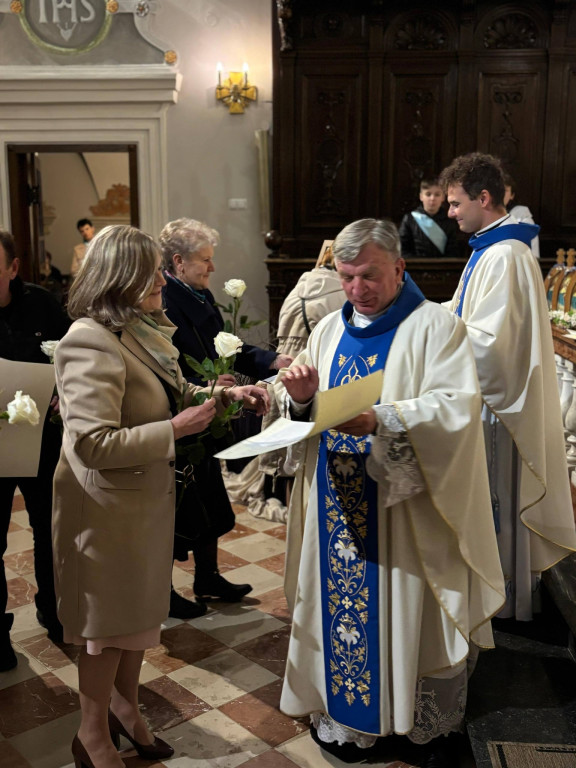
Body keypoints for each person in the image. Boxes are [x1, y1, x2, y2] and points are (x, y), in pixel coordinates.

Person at [276, 219, 505, 767]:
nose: (358, 289)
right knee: (340, 610)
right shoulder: (329, 329)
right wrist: (303, 401)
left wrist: (380, 419)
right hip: (336, 504)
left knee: (407, 611)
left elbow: (456, 407)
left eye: (370, 276)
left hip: (402, 508)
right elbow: (306, 407)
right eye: (348, 277)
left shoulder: (434, 327)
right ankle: (349, 720)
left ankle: (411, 718)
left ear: (399, 267)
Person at [52, 224, 268, 768]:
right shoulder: (88, 340)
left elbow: (172, 393)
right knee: (106, 629)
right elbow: (93, 444)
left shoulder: (142, 329)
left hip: (141, 503)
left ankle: (126, 708)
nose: (159, 279)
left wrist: (220, 394)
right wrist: (178, 427)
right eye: (149, 271)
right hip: (103, 511)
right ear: (119, 276)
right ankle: (91, 733)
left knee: (136, 619)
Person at [440, 152, 576, 620]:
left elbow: (490, 346)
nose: (450, 211)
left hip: (497, 408)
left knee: (497, 496)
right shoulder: (491, 249)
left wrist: (433, 340)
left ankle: (499, 596)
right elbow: (464, 314)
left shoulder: (504, 255)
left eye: (456, 203)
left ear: (483, 198)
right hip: (489, 401)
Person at [159, 218, 291, 617]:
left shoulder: (198, 295)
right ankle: (160, 592)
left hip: (211, 411)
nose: (212, 268)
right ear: (179, 262)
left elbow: (227, 349)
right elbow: (170, 367)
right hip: (186, 416)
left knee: (210, 499)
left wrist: (272, 360)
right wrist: (213, 384)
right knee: (179, 509)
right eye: (205, 261)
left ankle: (208, 577)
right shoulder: (166, 302)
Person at [0, 229, 70, 671]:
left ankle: (54, 608)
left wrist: (64, 390)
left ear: (12, 268)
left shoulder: (42, 303)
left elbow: (70, 356)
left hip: (43, 438)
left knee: (50, 527)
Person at [399, 177, 461, 259]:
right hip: (414, 267)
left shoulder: (450, 220)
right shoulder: (409, 219)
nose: (432, 198)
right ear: (421, 196)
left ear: (443, 197)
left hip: (443, 268)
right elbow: (403, 249)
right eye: (428, 194)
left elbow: (454, 251)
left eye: (437, 194)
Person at [503, 173, 540, 259]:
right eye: (497, 190)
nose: (500, 194)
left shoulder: (521, 217)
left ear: (512, 195)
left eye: (504, 190)